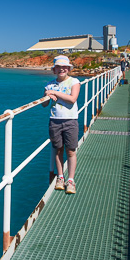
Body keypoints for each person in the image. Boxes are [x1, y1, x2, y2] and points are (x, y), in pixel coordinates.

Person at [42, 55, 81, 194]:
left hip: (70, 120)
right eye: (58, 67)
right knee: (58, 149)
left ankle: (70, 180)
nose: (62, 69)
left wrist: (55, 92)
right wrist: (47, 94)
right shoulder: (50, 85)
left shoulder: (74, 82)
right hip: (55, 120)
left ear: (68, 68)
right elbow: (44, 104)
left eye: (65, 67)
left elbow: (72, 99)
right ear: (54, 70)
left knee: (70, 150)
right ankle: (60, 177)